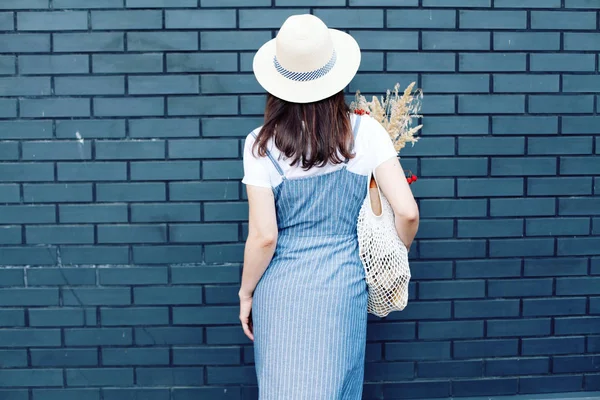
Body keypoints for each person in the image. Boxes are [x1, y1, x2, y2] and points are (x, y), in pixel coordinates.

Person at [238, 14, 419, 399]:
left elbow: (264, 236)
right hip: (342, 285)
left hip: (281, 290)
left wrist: (246, 293)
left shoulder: (259, 144)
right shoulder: (367, 132)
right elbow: (407, 213)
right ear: (335, 76)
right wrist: (391, 253)